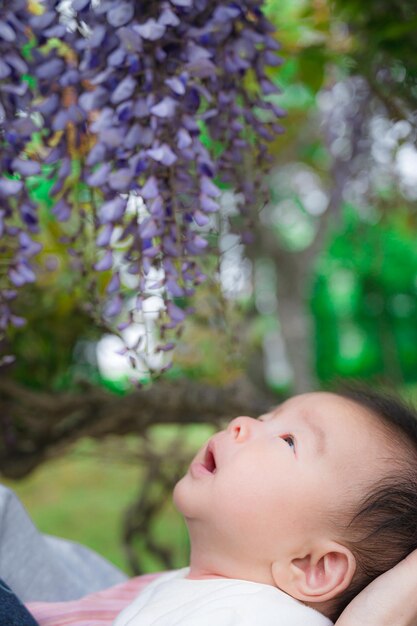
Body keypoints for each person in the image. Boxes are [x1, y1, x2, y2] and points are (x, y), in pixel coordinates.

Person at [113, 387, 417, 625]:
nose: (240, 423)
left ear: (311, 566)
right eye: (264, 418)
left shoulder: (262, 617)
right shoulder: (176, 587)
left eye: (288, 441)